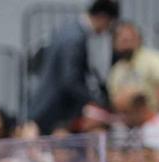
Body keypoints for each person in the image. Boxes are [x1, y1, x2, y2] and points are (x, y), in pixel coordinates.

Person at [28, 0, 120, 134]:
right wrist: (94, 101)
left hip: (46, 103)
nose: (105, 31)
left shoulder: (67, 29)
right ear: (103, 18)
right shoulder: (75, 38)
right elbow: (70, 80)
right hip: (53, 108)